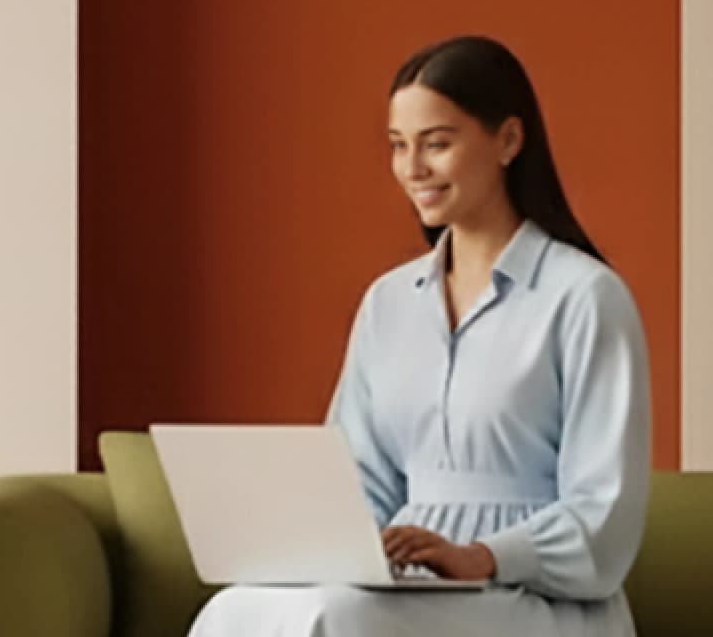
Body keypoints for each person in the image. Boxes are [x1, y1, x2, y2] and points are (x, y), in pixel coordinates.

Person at [191, 35, 653, 637]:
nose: (412, 169)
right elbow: (361, 480)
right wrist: (320, 546)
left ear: (509, 140)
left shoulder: (585, 298)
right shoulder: (387, 304)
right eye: (398, 145)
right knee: (233, 611)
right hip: (409, 587)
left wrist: (482, 556)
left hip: (535, 598)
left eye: (436, 144)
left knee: (338, 620)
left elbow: (605, 516)